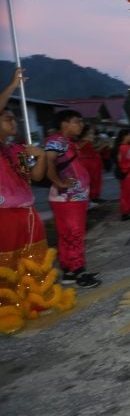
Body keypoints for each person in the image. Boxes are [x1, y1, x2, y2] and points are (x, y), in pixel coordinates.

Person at [44, 109, 101, 288]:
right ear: (64, 123)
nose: (81, 125)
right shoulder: (57, 140)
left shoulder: (67, 142)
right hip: (68, 198)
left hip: (74, 197)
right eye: (77, 121)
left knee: (69, 234)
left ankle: (69, 270)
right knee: (74, 234)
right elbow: (47, 161)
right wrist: (59, 183)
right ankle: (78, 271)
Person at [0, 70, 50, 276]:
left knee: (32, 259)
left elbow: (35, 177)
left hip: (28, 212)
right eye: (7, 119)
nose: (14, 123)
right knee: (8, 262)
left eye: (14, 119)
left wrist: (41, 157)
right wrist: (13, 85)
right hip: (5, 215)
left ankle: (34, 300)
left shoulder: (17, 150)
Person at [78, 124, 106, 205]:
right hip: (88, 162)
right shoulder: (83, 139)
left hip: (94, 161)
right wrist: (102, 146)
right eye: (90, 130)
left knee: (96, 180)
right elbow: (81, 148)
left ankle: (95, 197)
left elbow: (95, 149)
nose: (92, 132)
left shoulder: (93, 138)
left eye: (93, 130)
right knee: (89, 180)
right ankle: (90, 198)